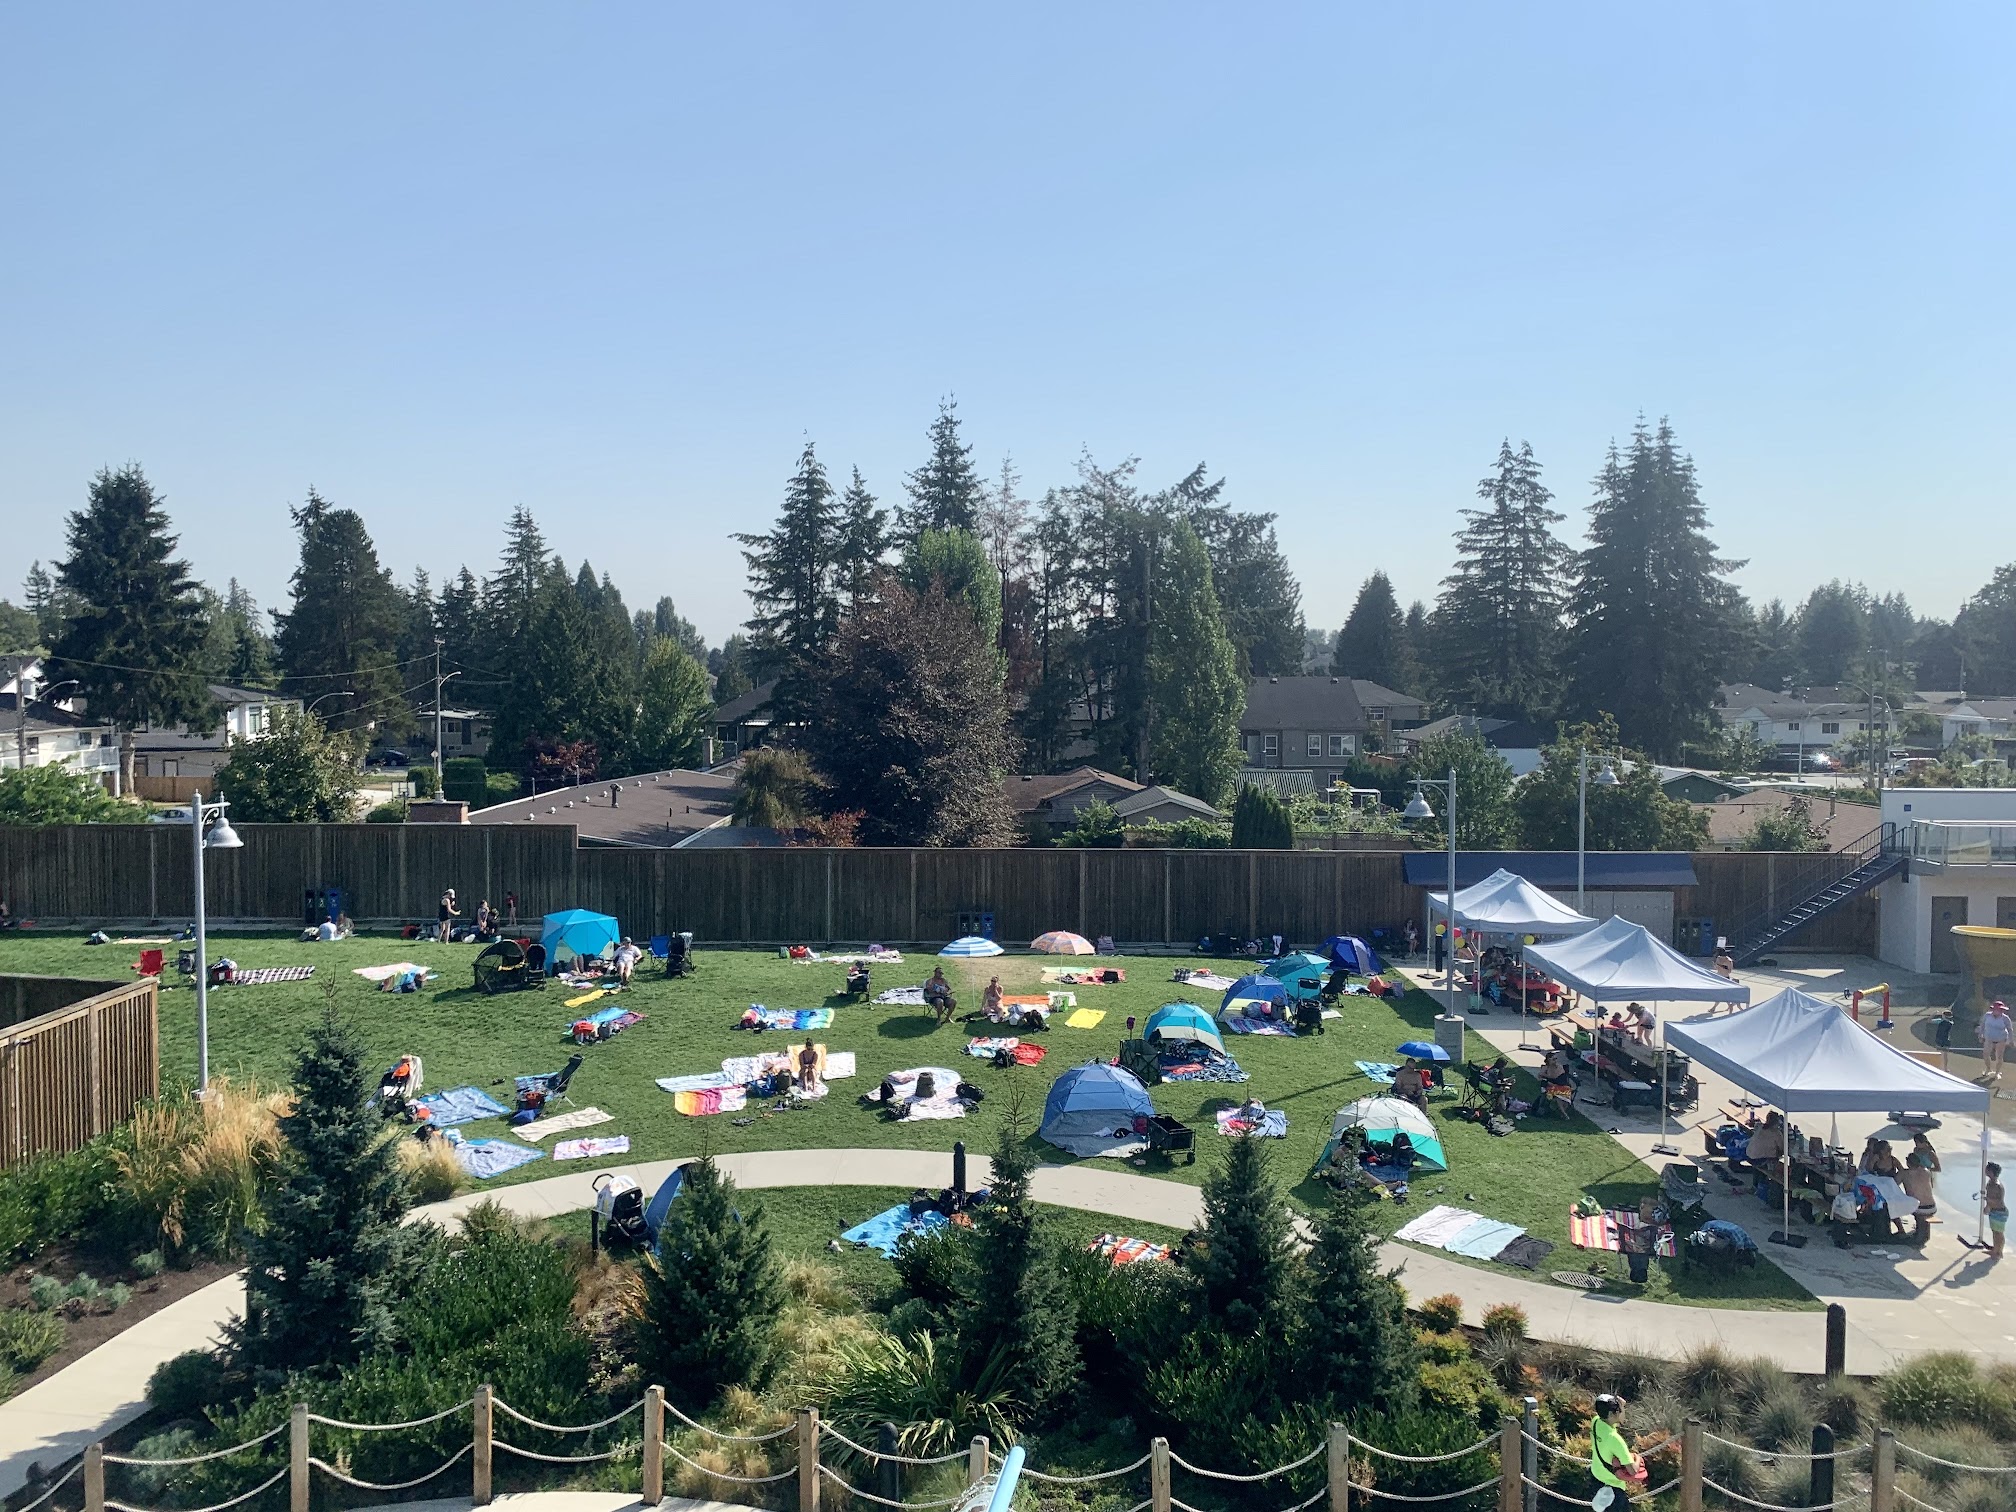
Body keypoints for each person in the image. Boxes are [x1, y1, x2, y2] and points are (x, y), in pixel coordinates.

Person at [1588, 1394, 1645, 1510]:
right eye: (1618, 1410)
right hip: (1614, 1488)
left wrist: (1621, 1406)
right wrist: (1637, 1458)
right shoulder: (1616, 1440)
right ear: (1611, 1414)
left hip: (1597, 1477)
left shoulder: (1595, 1422)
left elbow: (1618, 1419)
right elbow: (1633, 1471)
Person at [1981, 999, 2013, 1081]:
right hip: (1989, 1038)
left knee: (1999, 1057)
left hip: (2001, 1039)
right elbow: (1982, 1025)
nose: (2001, 1011)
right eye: (1999, 1009)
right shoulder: (1987, 1015)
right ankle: (1988, 1068)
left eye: (2002, 1010)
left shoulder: (2005, 1018)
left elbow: (2010, 1029)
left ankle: (1997, 1073)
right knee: (1985, 1054)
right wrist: (1981, 1035)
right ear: (1994, 1009)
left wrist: (2011, 1040)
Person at [1986, 1162, 2007, 1260]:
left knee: (1999, 1233)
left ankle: (2000, 1252)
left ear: (1991, 1172)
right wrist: (1988, 1206)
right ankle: (1995, 1250)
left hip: (2000, 1211)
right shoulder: (1989, 1183)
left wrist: (1988, 1201)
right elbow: (1990, 1197)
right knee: (1994, 1232)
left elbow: (1999, 1201)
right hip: (1993, 1210)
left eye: (1987, 1169)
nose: (1985, 1170)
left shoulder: (1997, 1185)